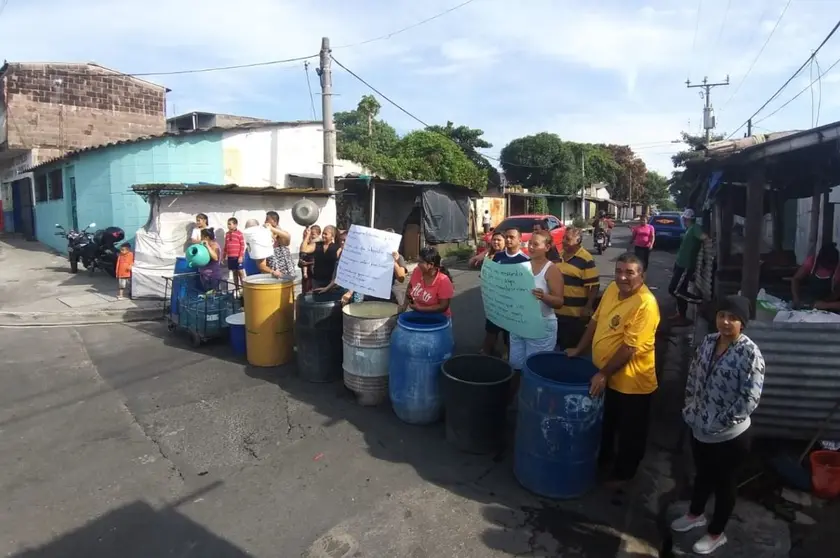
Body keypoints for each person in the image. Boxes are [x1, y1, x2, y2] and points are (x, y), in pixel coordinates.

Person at [671, 295, 764, 555]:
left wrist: (720, 422)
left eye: (733, 318)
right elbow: (693, 375)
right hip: (699, 426)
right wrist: (691, 407)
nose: (725, 322)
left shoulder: (750, 354)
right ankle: (695, 514)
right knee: (702, 474)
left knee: (725, 483)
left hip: (730, 436)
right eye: (722, 315)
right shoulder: (709, 342)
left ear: (742, 323)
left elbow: (750, 399)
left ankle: (716, 533)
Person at [567, 253, 660, 488]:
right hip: (605, 374)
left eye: (630, 272)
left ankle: (624, 476)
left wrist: (603, 373)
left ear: (642, 275)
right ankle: (603, 461)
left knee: (630, 433)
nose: (622, 277)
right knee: (606, 423)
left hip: (632, 381)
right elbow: (596, 321)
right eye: (619, 271)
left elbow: (629, 348)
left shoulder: (645, 304)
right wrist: (579, 349)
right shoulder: (611, 289)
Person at [508, 231, 565, 371]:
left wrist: (543, 296)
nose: (531, 247)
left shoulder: (551, 270)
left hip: (541, 326)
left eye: (535, 244)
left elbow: (559, 302)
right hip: (519, 323)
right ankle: (515, 392)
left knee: (536, 369)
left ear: (547, 247)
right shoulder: (522, 266)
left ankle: (532, 393)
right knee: (515, 366)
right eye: (530, 243)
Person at [483, 228, 530, 356]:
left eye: (512, 237)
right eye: (507, 237)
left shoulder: (525, 261)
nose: (508, 240)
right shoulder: (497, 256)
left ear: (520, 240)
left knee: (510, 339)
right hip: (496, 305)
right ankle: (485, 357)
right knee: (490, 334)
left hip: (513, 309)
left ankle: (510, 363)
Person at [555, 227, 600, 350]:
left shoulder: (586, 259)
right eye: (564, 238)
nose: (563, 241)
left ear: (578, 240)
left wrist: (588, 306)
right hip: (556, 314)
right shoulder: (559, 256)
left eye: (568, 239)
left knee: (569, 348)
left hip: (574, 316)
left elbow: (594, 285)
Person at [669, 209, 707, 325]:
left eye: (685, 219)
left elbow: (704, 237)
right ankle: (681, 315)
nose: (684, 221)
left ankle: (701, 301)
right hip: (680, 263)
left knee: (674, 290)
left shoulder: (695, 228)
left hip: (686, 265)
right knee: (681, 289)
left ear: (687, 219)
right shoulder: (689, 229)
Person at [400, 246, 454, 316]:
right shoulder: (417, 271)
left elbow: (443, 306)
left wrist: (420, 308)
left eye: (420, 262)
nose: (418, 264)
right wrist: (406, 304)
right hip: (419, 315)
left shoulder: (443, 281)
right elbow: (410, 286)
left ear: (431, 265)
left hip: (438, 321)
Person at [791, 242, 840, 310]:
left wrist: (826, 305)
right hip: (811, 301)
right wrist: (796, 298)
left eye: (830, 268)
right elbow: (796, 279)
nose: (826, 270)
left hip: (830, 305)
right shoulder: (811, 262)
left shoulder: (838, 269)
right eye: (824, 267)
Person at [300, 225, 340, 290]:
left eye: (326, 234)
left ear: (332, 236)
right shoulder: (317, 245)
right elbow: (304, 249)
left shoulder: (337, 248)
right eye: (323, 233)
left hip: (330, 282)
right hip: (317, 281)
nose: (323, 235)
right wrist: (307, 235)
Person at [258, 211, 295, 279]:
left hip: (289, 274)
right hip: (274, 277)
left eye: (267, 219)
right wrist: (272, 272)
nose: (264, 222)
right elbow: (261, 266)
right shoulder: (263, 240)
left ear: (274, 221)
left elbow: (288, 237)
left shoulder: (282, 236)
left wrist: (272, 229)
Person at [224, 217, 246, 293]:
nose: (229, 226)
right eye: (228, 224)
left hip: (238, 257)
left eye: (230, 224)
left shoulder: (239, 234)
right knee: (234, 273)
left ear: (235, 225)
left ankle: (244, 288)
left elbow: (242, 245)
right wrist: (224, 256)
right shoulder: (227, 234)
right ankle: (237, 289)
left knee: (240, 272)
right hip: (231, 257)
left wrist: (241, 256)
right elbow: (226, 246)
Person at [298, 225, 321, 293]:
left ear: (319, 234)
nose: (310, 236)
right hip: (306, 276)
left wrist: (308, 263)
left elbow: (320, 261)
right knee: (306, 292)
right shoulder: (306, 245)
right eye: (310, 234)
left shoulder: (319, 244)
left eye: (312, 234)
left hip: (315, 274)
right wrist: (301, 262)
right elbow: (300, 261)